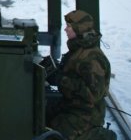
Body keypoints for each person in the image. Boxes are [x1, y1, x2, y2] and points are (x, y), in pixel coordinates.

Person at [47, 10, 114, 140]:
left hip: (86, 113)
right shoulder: (78, 49)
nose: (65, 29)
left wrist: (62, 80)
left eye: (69, 27)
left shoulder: (92, 59)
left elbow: (93, 95)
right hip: (71, 104)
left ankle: (98, 136)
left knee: (57, 136)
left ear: (79, 29)